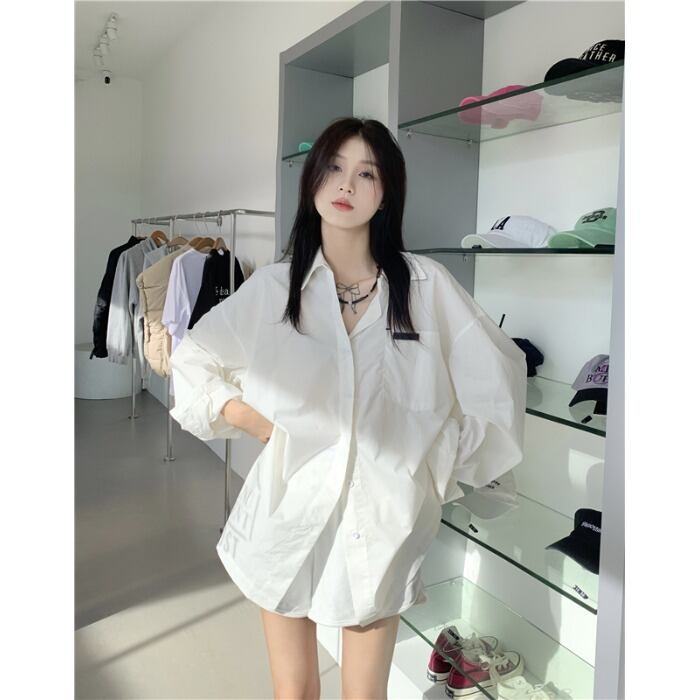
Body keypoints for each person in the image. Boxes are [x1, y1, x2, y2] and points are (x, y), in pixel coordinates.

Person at [169, 117, 527, 699]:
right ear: (312, 179)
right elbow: (193, 358)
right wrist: (249, 419)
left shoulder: (425, 287)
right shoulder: (274, 290)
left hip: (380, 526)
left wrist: (436, 457)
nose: (346, 184)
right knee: (294, 693)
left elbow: (499, 381)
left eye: (367, 173)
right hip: (285, 517)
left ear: (386, 193)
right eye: (334, 167)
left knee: (365, 695)